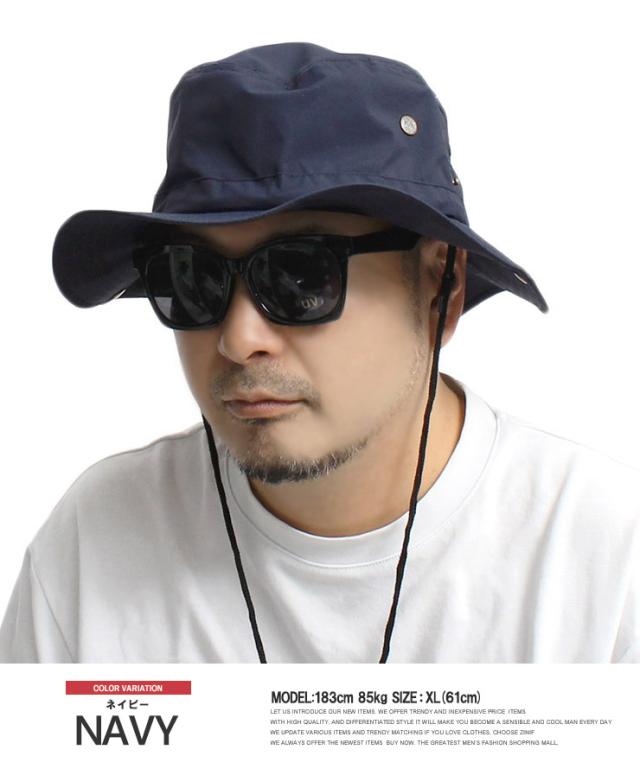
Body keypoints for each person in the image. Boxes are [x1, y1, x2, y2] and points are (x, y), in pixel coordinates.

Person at [0, 42, 637, 663]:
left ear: (440, 287)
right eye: (191, 278)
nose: (238, 339)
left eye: (301, 276)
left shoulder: (603, 559)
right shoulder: (95, 549)